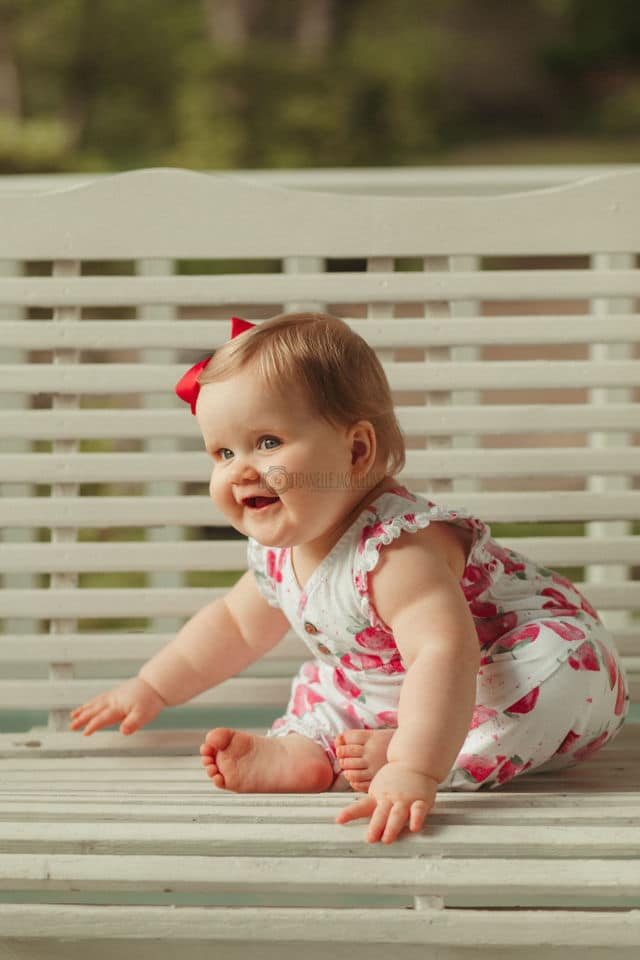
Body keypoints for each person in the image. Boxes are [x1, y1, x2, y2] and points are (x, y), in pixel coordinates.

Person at [69, 312, 629, 845]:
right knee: (328, 685)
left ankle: (417, 753)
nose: (240, 469)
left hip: (507, 664)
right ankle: (310, 753)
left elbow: (444, 655)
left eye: (267, 443)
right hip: (393, 687)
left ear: (356, 450)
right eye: (222, 451)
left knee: (551, 677)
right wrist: (152, 686)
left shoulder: (397, 550)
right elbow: (235, 627)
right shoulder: (278, 552)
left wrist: (414, 766)